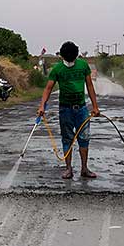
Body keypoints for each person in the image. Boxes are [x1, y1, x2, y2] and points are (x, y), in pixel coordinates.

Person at [37, 41, 101, 179]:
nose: (70, 62)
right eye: (68, 59)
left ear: (76, 56)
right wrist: (42, 105)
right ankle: (68, 169)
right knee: (67, 139)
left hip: (82, 109)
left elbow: (90, 86)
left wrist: (95, 106)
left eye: (73, 59)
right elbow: (48, 88)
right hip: (65, 110)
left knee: (84, 138)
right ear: (62, 57)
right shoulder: (57, 69)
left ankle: (84, 169)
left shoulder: (83, 66)